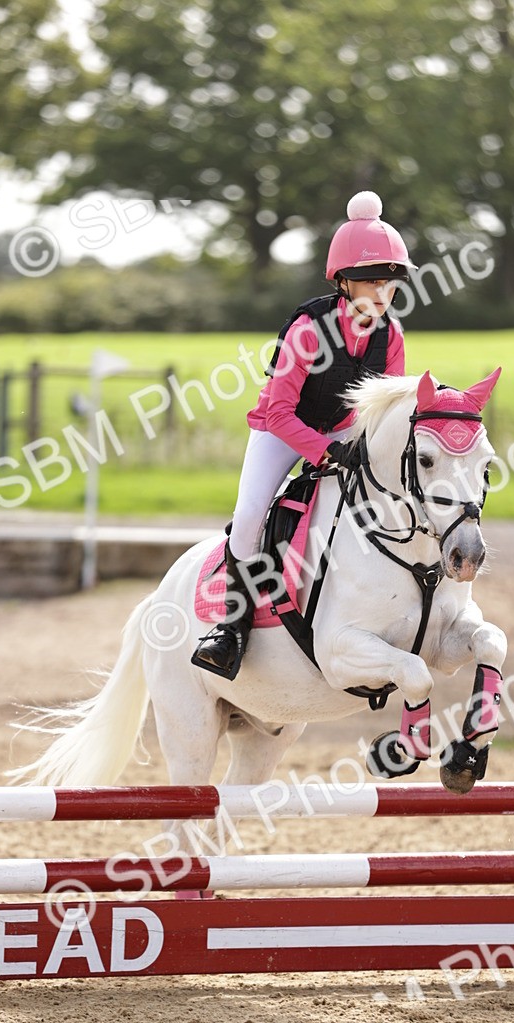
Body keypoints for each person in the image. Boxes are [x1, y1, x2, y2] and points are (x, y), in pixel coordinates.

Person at [192, 190, 415, 680]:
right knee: (251, 513)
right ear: (343, 282)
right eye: (371, 283)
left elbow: (381, 413)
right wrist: (324, 451)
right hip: (281, 431)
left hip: (339, 431)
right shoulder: (309, 331)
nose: (382, 295)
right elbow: (278, 414)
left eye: (390, 285)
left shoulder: (391, 338)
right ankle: (230, 627)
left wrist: (363, 450)